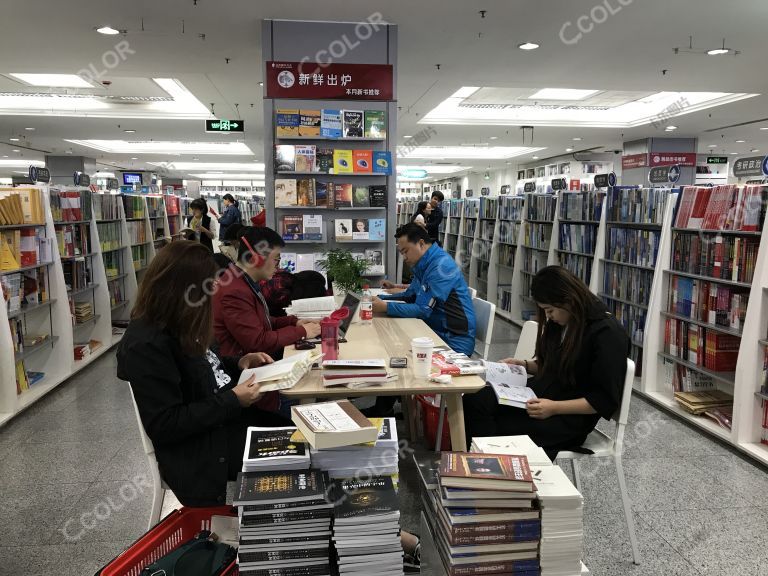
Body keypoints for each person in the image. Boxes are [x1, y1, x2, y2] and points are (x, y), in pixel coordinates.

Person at [116, 241, 290, 506]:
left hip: (225, 426)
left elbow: (208, 368)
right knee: (305, 448)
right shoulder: (148, 344)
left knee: (303, 432)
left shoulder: (183, 321)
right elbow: (165, 424)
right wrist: (234, 399)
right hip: (206, 455)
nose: (214, 292)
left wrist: (238, 362)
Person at [463, 265, 630, 458]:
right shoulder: (563, 321)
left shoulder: (607, 333)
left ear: (567, 300)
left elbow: (603, 400)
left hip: (567, 417)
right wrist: (523, 365)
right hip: (541, 395)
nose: (548, 316)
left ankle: (491, 471)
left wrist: (554, 408)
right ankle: (477, 466)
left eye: (550, 310)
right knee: (474, 400)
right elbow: (552, 364)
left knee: (495, 424)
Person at [213, 226, 321, 359]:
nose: (278, 266)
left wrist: (294, 322)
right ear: (255, 260)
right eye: (276, 259)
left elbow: (262, 322)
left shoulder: (240, 281)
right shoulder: (235, 292)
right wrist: (302, 332)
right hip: (244, 368)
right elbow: (257, 342)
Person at [373, 223, 476, 355]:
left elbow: (422, 310)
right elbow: (410, 295)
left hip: (454, 342)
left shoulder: (441, 267)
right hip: (434, 331)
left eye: (405, 251)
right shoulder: (424, 264)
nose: (404, 258)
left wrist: (385, 307)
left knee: (393, 350)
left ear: (421, 244)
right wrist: (381, 299)